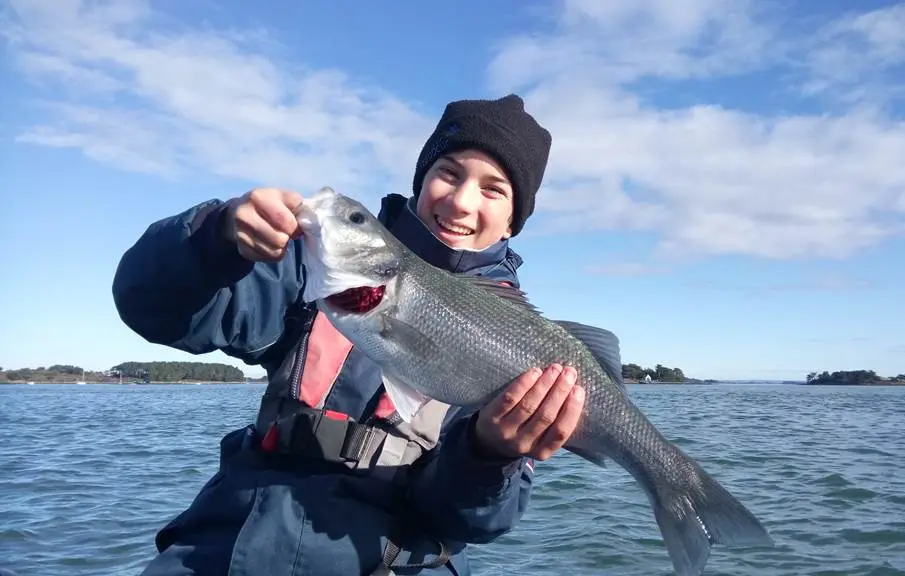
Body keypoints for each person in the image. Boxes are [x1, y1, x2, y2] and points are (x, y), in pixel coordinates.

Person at [112, 94, 612, 576]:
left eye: (492, 189)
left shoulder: (521, 339)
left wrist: (490, 455)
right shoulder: (308, 268)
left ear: (511, 223)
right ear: (421, 181)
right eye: (448, 172)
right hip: (233, 544)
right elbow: (153, 309)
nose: (461, 201)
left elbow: (473, 521)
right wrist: (213, 240)